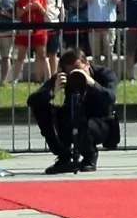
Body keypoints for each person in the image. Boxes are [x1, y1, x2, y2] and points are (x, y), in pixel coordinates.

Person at [29, 44, 118, 173]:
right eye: (71, 71)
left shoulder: (105, 74)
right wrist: (53, 91)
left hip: (99, 121)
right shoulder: (64, 77)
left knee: (83, 122)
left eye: (79, 69)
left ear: (87, 63)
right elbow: (32, 101)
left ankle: (90, 156)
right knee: (40, 107)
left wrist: (91, 83)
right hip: (71, 117)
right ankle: (64, 156)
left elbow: (110, 98)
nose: (75, 74)